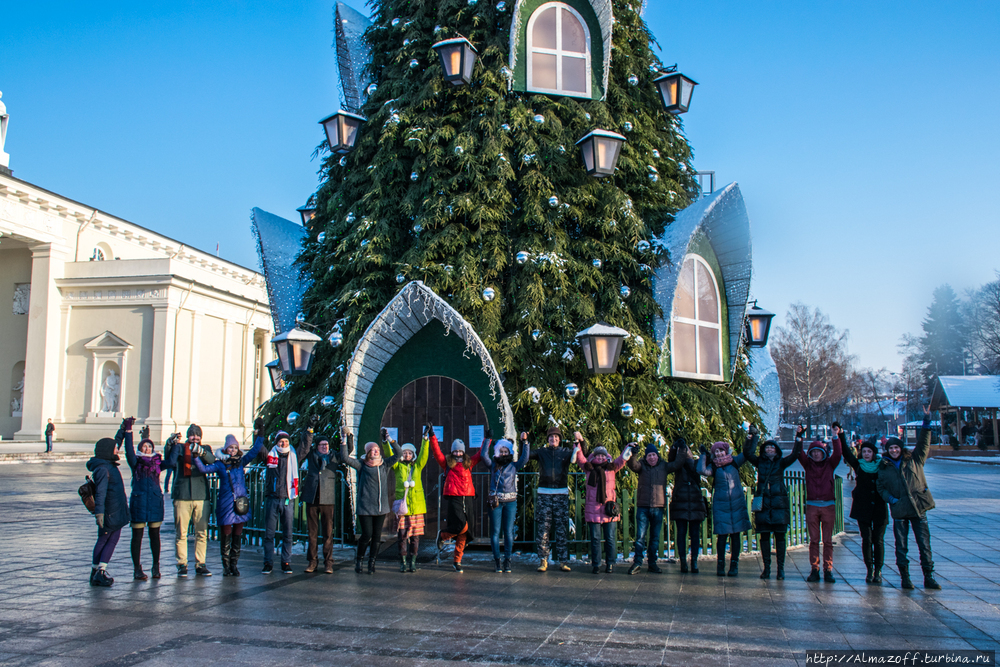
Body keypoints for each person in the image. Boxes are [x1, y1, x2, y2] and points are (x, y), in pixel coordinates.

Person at [877, 406, 941, 590]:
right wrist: (890, 498)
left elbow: (924, 443)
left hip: (918, 508)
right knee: (901, 547)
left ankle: (929, 576)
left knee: (924, 545)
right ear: (887, 450)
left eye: (897, 447)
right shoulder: (884, 467)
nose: (894, 450)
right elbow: (880, 487)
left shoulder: (914, 459)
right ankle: (905, 577)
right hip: (899, 511)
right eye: (891, 448)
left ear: (901, 448)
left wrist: (926, 421)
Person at [193, 421, 265, 576]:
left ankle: (234, 564)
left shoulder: (240, 462)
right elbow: (204, 469)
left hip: (240, 502)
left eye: (235, 447)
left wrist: (261, 434)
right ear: (226, 448)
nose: (233, 450)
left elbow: (254, 451)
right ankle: (226, 565)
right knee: (226, 534)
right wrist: (196, 457)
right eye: (230, 447)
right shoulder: (220, 464)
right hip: (226, 503)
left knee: (237, 534)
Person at [743, 427, 797, 580]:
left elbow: (795, 455)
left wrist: (798, 437)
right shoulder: (760, 462)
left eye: (772, 447)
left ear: (776, 450)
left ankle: (781, 569)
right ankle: (766, 569)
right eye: (767, 447)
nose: (769, 449)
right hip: (764, 505)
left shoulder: (781, 463)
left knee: (780, 538)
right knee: (764, 537)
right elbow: (747, 453)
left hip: (779, 505)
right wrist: (752, 437)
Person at [341, 429, 397, 574]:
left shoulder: (384, 464)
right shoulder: (361, 465)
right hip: (365, 507)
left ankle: (372, 562)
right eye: (372, 450)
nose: (375, 452)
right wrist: (343, 439)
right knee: (367, 534)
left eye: (377, 449)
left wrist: (390, 440)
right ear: (367, 452)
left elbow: (399, 454)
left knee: (377, 536)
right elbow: (345, 458)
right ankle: (359, 559)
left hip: (380, 507)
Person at [164, 424, 215, 577]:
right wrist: (169, 443)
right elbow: (169, 459)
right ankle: (182, 563)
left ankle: (201, 563)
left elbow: (211, 460)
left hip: (201, 495)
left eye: (197, 436)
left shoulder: (205, 448)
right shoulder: (180, 448)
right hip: (183, 494)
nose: (195, 438)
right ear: (188, 436)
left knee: (202, 532)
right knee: (181, 532)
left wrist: (201, 452)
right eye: (192, 435)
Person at [794, 423, 843, 583]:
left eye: (818, 452)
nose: (816, 455)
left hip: (828, 505)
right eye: (813, 452)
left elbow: (838, 453)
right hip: (812, 505)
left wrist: (835, 436)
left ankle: (828, 569)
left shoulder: (830, 464)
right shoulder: (808, 465)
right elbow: (798, 453)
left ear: (823, 453)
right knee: (814, 540)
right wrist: (799, 436)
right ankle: (814, 569)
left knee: (827, 540)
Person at [527, 426, 580, 572]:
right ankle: (543, 560)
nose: (553, 439)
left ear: (560, 439)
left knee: (561, 528)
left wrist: (580, 441)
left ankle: (563, 560)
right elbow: (526, 456)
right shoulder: (542, 452)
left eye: (556, 437)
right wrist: (525, 442)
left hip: (560, 494)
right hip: (544, 493)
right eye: (551, 437)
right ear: (548, 439)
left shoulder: (566, 452)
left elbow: (581, 454)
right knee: (543, 528)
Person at [430, 427, 482, 572]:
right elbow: (436, 452)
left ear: (463, 451)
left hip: (468, 497)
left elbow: (480, 454)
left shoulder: (469, 462)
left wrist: (487, 440)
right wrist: (432, 435)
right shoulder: (447, 463)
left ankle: (457, 560)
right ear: (452, 451)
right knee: (461, 525)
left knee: (465, 531)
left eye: (460, 451)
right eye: (455, 451)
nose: (458, 453)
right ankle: (443, 535)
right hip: (455, 497)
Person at [625, 441, 681, 575]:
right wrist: (634, 453)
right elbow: (632, 465)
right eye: (649, 455)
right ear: (646, 457)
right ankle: (637, 562)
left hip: (658, 506)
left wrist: (681, 449)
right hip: (643, 506)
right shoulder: (642, 466)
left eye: (654, 455)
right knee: (640, 537)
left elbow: (677, 464)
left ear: (657, 456)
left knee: (655, 538)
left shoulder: (663, 466)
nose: (651, 457)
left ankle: (652, 563)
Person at [698, 440, 751, 577]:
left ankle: (734, 565)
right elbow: (701, 470)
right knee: (722, 536)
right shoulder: (714, 466)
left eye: (721, 450)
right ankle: (720, 565)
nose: (720, 453)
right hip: (721, 505)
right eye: (716, 451)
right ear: (714, 454)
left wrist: (751, 438)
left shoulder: (735, 461)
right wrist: (703, 454)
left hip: (736, 503)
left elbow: (747, 453)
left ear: (726, 451)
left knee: (736, 536)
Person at [120, 417, 164, 580]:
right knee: (137, 536)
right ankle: (137, 568)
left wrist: (172, 445)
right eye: (144, 446)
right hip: (139, 501)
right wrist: (128, 430)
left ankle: (155, 566)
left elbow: (173, 461)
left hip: (154, 502)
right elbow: (129, 450)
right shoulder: (135, 462)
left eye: (150, 446)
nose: (147, 448)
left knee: (155, 535)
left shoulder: (158, 463)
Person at [481, 434, 530, 573]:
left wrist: (525, 442)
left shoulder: (513, 466)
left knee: (508, 532)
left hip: (510, 502)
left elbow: (524, 458)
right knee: (495, 532)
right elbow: (483, 456)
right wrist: (487, 440)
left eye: (506, 451)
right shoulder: (493, 465)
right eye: (501, 451)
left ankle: (507, 559)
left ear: (509, 452)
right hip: (495, 502)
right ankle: (497, 560)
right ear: (497, 452)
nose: (503, 453)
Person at [842, 435, 888, 584]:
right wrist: (841, 435)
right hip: (863, 508)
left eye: (869, 451)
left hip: (879, 507)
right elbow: (846, 453)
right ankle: (869, 570)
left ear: (874, 453)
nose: (866, 454)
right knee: (867, 539)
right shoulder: (859, 465)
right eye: (864, 451)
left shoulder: (882, 465)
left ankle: (878, 570)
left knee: (878, 540)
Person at [576, 443, 629, 573]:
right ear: (594, 456)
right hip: (593, 509)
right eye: (598, 455)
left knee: (610, 538)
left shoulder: (611, 467)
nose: (600, 458)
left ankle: (610, 563)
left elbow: (622, 459)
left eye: (602, 455)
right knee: (595, 539)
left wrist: (628, 446)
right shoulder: (589, 468)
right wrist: (577, 443)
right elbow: (580, 458)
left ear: (606, 457)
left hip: (608, 509)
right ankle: (596, 564)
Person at [87, 433, 129, 586]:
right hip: (110, 511)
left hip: (114, 509)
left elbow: (114, 444)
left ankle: (97, 571)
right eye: (115, 449)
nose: (117, 451)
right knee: (106, 539)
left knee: (109, 539)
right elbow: (101, 492)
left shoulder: (105, 464)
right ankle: (99, 571)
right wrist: (99, 513)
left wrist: (123, 430)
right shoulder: (103, 469)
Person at [300, 429, 344, 574]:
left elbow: (346, 454)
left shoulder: (333, 457)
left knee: (328, 533)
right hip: (312, 498)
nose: (325, 447)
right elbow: (305, 446)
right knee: (312, 533)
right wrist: (310, 430)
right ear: (317, 446)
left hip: (327, 499)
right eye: (322, 445)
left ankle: (328, 562)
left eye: (326, 444)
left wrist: (346, 437)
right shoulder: (312, 456)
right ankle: (312, 561)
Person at [261, 427, 304, 574]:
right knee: (269, 534)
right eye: (281, 441)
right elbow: (259, 448)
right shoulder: (270, 455)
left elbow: (304, 448)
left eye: (285, 441)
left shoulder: (293, 455)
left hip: (287, 499)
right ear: (276, 443)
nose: (283, 444)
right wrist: (259, 432)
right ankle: (268, 562)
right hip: (272, 498)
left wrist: (309, 431)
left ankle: (286, 561)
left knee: (288, 533)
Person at [390, 429, 430, 573]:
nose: (407, 455)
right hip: (403, 507)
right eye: (405, 452)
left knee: (415, 538)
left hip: (416, 507)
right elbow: (389, 454)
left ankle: (413, 561)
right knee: (402, 536)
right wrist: (386, 442)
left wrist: (425, 438)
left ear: (413, 455)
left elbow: (424, 454)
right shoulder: (397, 466)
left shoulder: (417, 466)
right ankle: (403, 561)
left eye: (410, 453)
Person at [668, 437, 706, 573]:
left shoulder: (695, 464)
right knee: (681, 534)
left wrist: (702, 454)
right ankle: (683, 561)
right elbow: (671, 460)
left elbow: (701, 467)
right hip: (681, 504)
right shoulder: (678, 465)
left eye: (687, 449)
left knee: (695, 534)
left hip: (694, 503)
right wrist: (674, 447)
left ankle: (694, 561)